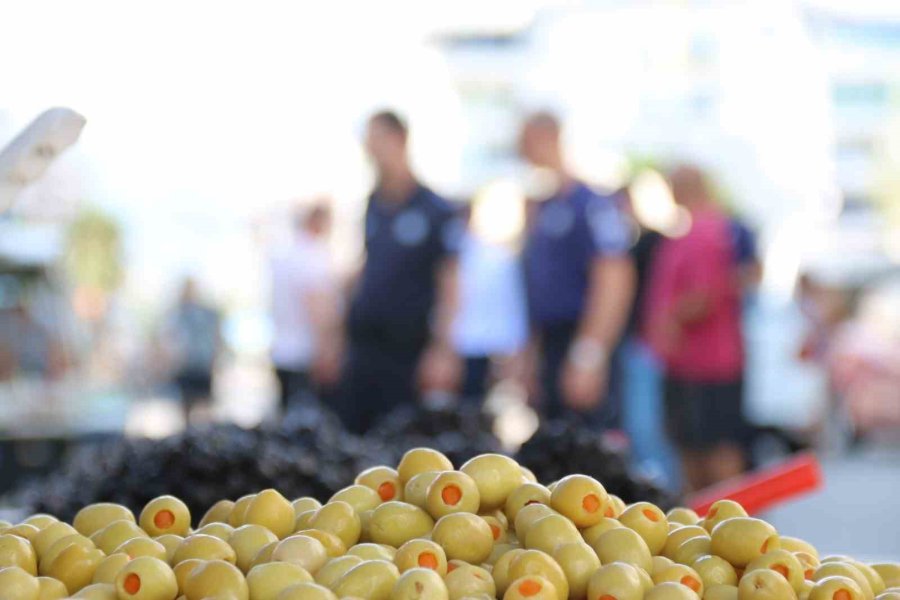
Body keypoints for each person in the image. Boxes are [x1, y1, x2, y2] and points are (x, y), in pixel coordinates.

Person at [337, 110, 462, 433]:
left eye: (379, 139)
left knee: (402, 440)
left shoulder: (436, 210)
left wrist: (443, 350)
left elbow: (450, 284)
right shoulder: (372, 205)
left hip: (409, 348)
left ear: (400, 139)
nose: (372, 150)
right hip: (365, 345)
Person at [518, 111, 636, 422]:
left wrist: (588, 356)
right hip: (552, 343)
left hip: (580, 338)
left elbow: (614, 279)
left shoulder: (590, 204)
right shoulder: (543, 207)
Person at [643, 165, 747, 492]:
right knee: (694, 448)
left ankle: (727, 524)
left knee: (714, 451)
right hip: (694, 364)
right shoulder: (704, 230)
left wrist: (670, 320)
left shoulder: (704, 233)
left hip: (705, 365)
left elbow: (704, 294)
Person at [452, 184, 529, 401]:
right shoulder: (463, 253)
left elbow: (510, 305)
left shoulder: (495, 256)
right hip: (461, 347)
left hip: (485, 348)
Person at [269, 200, 341, 410]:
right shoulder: (312, 256)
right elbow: (317, 307)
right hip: (306, 355)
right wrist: (327, 350)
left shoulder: (285, 254)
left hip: (283, 352)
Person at [166, 278, 222, 422]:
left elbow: (216, 339)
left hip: (199, 367)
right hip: (188, 367)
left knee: (203, 406)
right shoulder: (181, 313)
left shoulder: (204, 313)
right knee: (189, 406)